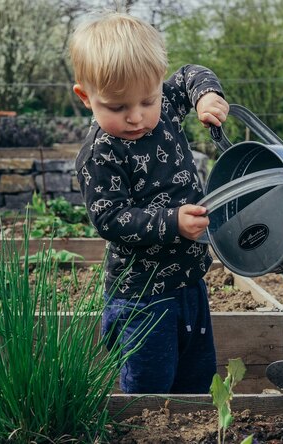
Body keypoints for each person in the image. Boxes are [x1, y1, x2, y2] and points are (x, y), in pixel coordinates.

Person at [69, 11, 229, 394]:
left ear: (158, 84)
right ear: (86, 97)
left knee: (197, 376)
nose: (136, 117)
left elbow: (191, 73)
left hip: (190, 280)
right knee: (150, 387)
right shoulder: (101, 154)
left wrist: (207, 95)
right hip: (142, 296)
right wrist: (172, 222)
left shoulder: (167, 106)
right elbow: (110, 218)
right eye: (117, 107)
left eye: (147, 100)